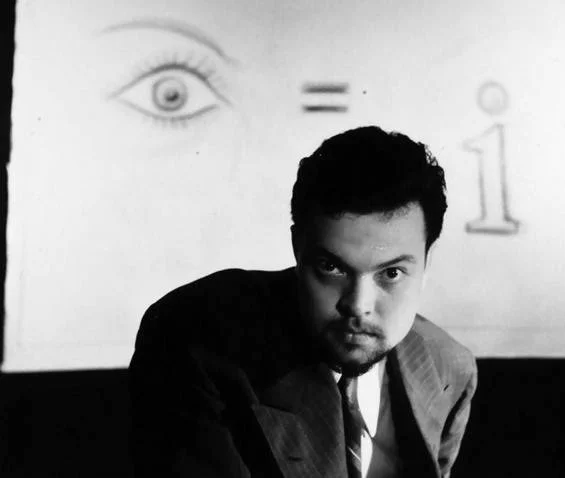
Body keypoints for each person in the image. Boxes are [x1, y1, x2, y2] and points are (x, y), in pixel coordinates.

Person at [129, 126, 478, 478]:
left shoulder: (450, 369)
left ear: (427, 263)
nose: (358, 305)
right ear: (298, 249)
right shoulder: (193, 339)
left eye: (391, 274)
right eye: (332, 268)